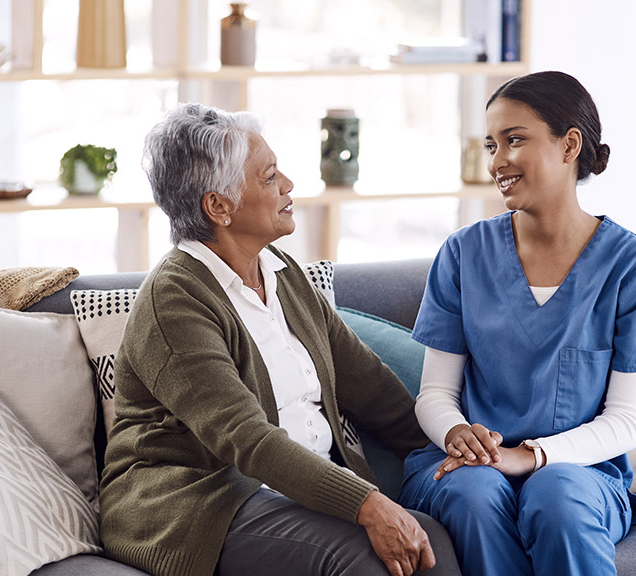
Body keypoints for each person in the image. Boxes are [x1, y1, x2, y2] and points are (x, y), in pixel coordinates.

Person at [99, 103, 460, 576]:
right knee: (364, 557)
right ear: (218, 206)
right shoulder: (174, 299)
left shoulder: (284, 274)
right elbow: (247, 440)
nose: (288, 184)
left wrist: (451, 448)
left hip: (281, 494)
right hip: (199, 502)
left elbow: (371, 388)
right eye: (269, 177)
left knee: (431, 539)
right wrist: (368, 505)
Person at [397, 71, 636, 576]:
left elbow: (625, 422)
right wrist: (457, 433)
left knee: (557, 495)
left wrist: (530, 455)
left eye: (514, 140)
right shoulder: (462, 254)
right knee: (474, 491)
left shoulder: (635, 268)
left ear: (569, 145)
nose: (497, 162)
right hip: (471, 467)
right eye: (491, 145)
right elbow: (435, 395)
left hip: (578, 472)